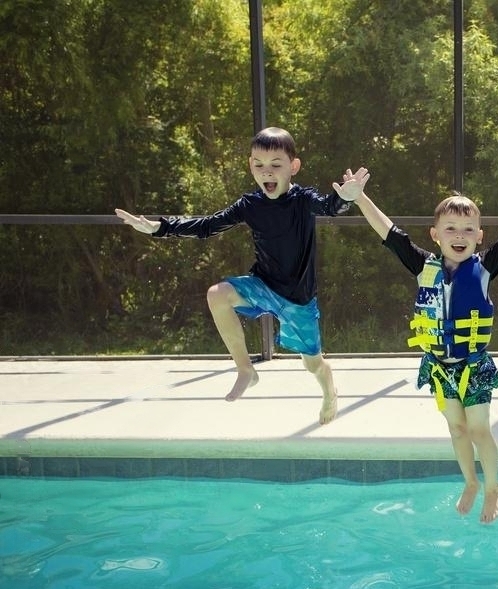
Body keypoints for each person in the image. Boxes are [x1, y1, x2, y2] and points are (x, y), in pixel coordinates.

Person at [336, 170, 498, 523]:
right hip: (438, 366)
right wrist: (359, 198)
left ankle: (493, 486)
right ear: (435, 235)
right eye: (450, 228)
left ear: (479, 237)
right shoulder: (422, 266)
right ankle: (470, 482)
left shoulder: (484, 267)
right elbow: (389, 232)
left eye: (468, 230)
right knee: (456, 429)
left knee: (479, 429)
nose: (459, 236)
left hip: (473, 365)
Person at [115, 127, 366, 425]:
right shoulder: (250, 205)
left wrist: (345, 199)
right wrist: (161, 228)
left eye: (276, 165)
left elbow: (329, 206)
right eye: (259, 165)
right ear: (250, 166)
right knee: (216, 294)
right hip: (262, 285)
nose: (267, 172)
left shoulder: (302, 200)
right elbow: (208, 225)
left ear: (293, 167)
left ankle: (329, 393)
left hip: (298, 298)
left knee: (313, 365)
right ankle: (246, 369)